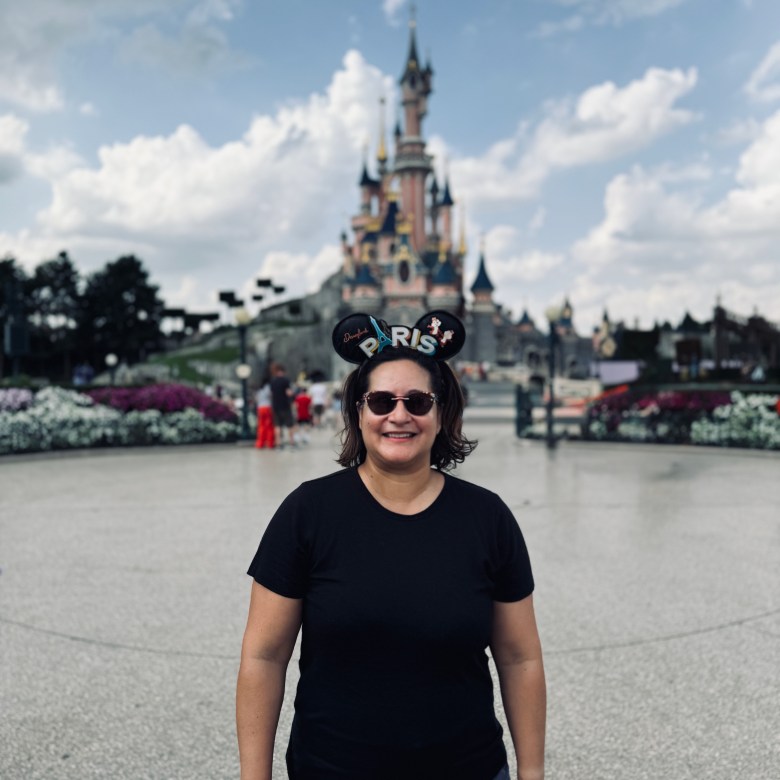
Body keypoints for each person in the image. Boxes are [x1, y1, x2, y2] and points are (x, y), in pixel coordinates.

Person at [237, 311, 546, 780]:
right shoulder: (308, 512)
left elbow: (520, 658)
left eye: (418, 402)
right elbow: (264, 657)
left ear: (442, 415)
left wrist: (533, 774)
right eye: (381, 401)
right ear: (358, 413)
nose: (398, 415)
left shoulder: (489, 518)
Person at [269, 363, 297, 449]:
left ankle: (278, 444)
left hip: (276, 406)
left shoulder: (273, 381)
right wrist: (293, 393)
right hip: (285, 406)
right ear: (282, 371)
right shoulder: (285, 380)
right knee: (290, 425)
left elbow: (271, 394)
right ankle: (292, 443)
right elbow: (288, 393)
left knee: (277, 426)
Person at [254, 375, 276, 450]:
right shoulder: (268, 387)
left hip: (260, 408)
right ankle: (270, 443)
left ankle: (260, 443)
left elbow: (256, 399)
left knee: (261, 426)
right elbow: (271, 396)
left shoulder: (259, 389)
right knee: (269, 426)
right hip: (267, 408)